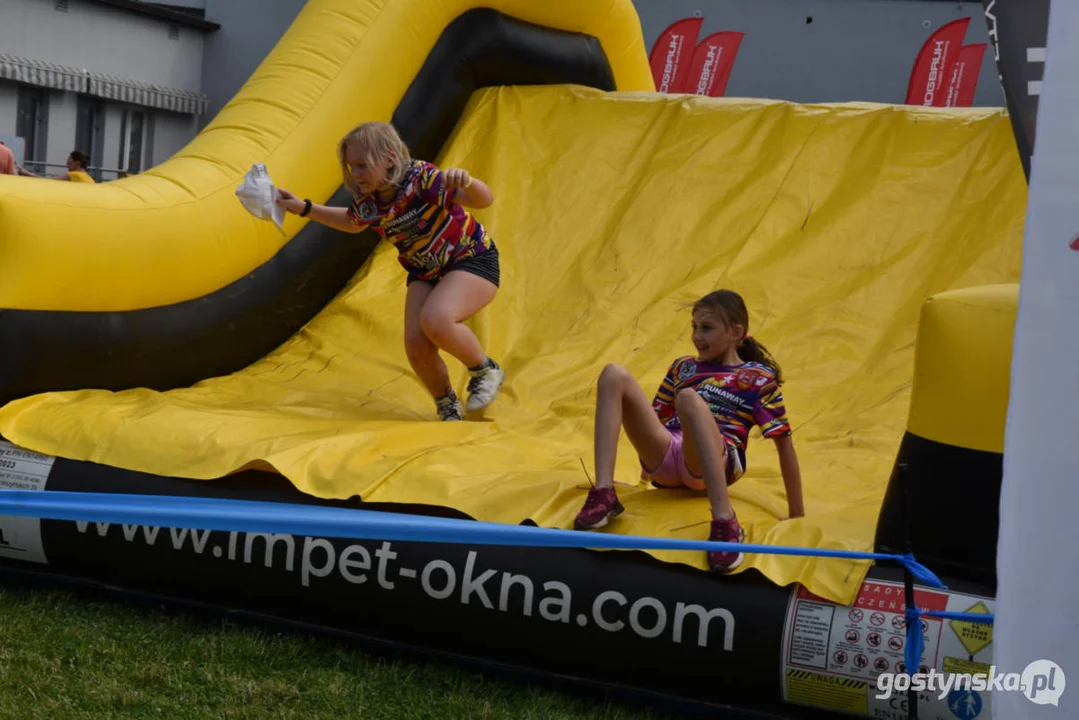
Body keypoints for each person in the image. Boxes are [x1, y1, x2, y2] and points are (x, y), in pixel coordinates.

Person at [275, 121, 505, 421]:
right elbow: (353, 222)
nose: (355, 175)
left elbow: (483, 200)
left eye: (361, 165)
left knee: (435, 319)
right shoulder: (369, 200)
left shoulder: (422, 179)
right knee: (415, 345)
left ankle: (485, 370)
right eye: (350, 166)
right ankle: (446, 403)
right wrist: (304, 208)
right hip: (425, 272)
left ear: (390, 160)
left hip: (470, 258)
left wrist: (468, 182)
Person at [573, 289, 805, 572]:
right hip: (669, 456)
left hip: (715, 461)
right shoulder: (683, 368)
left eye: (706, 328)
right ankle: (604, 492)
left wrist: (797, 515)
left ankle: (724, 520)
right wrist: (644, 480)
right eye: (694, 327)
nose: (697, 336)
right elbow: (654, 420)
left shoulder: (757, 378)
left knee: (688, 399)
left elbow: (784, 445)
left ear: (735, 332)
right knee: (613, 373)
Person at [18, 150, 95, 182]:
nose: (67, 165)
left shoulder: (74, 175)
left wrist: (26, 173)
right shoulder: (89, 178)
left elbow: (48, 181)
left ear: (78, 163)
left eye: (69, 163)